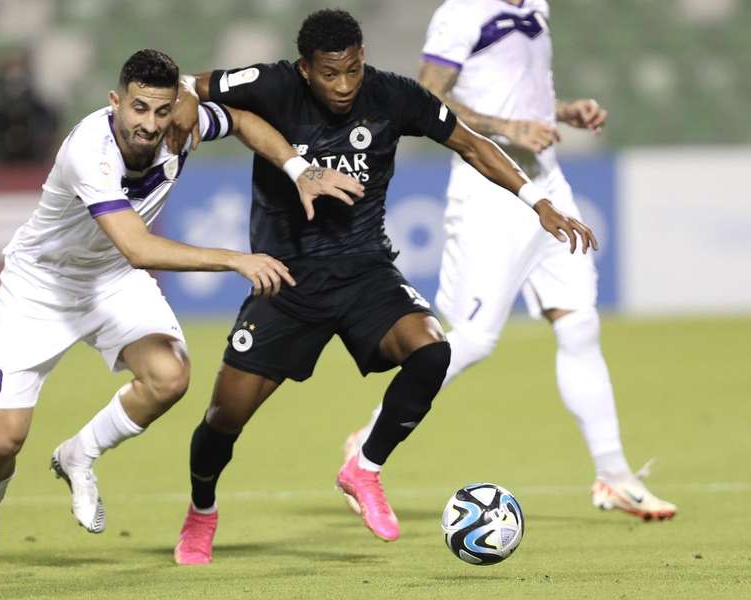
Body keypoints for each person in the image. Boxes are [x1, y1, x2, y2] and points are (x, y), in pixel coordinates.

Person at [167, 9, 597, 565]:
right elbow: (186, 84)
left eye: (351, 70)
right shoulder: (270, 84)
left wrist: (537, 201)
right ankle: (201, 512)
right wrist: (179, 110)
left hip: (366, 271)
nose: (343, 86)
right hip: (286, 279)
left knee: (432, 350)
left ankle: (364, 469)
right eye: (329, 74)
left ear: (362, 58)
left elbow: (470, 143)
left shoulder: (394, 96)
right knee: (224, 418)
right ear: (305, 70)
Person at [0, 48, 363, 572]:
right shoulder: (90, 150)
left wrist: (298, 168)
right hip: (41, 286)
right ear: (115, 102)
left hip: (112, 282)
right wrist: (235, 259)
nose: (149, 124)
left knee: (170, 376)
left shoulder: (179, 126)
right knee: (4, 439)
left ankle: (80, 452)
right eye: (139, 109)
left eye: (161, 110)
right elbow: (139, 248)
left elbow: (242, 121)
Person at [344, 0, 676, 521]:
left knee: (580, 325)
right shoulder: (461, 12)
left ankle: (614, 476)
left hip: (548, 184)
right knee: (473, 340)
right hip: (489, 192)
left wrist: (557, 113)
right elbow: (426, 96)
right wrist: (509, 128)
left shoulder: (535, 5)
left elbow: (514, 88)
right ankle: (367, 442)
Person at [0, 47, 60, 164]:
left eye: (20, 80)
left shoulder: (44, 116)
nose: (15, 89)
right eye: (10, 82)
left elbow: (51, 148)